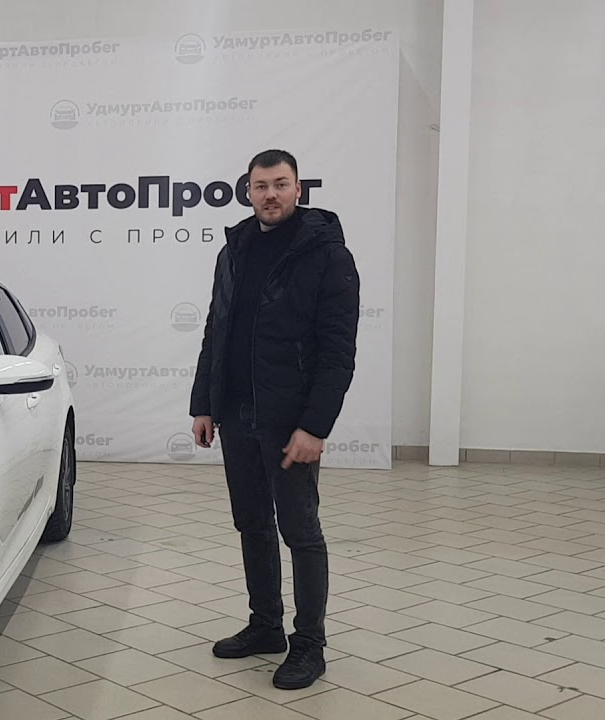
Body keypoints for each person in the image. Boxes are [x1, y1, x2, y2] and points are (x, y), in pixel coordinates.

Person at [189, 149, 359, 690]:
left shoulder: (327, 254)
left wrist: (315, 426)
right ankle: (266, 626)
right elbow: (216, 328)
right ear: (248, 191)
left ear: (299, 188)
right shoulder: (235, 247)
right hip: (236, 414)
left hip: (290, 421)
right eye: (260, 186)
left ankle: (309, 644)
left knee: (301, 532)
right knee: (252, 523)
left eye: (280, 184)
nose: (270, 195)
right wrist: (204, 402)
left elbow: (338, 352)